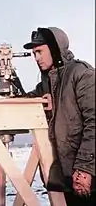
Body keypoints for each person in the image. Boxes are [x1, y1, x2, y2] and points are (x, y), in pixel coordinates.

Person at [21, 27, 95, 206]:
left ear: (54, 48)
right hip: (65, 172)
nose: (36, 58)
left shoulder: (81, 73)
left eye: (39, 51)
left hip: (85, 172)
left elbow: (94, 121)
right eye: (33, 54)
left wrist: (85, 168)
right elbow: (26, 101)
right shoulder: (47, 82)